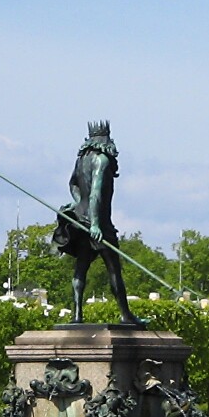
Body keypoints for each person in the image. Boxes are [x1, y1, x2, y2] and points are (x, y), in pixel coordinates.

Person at [52, 120, 142, 325]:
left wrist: (77, 204)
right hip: (98, 224)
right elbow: (95, 194)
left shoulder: (81, 160)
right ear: (106, 139)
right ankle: (125, 314)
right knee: (113, 268)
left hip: (79, 221)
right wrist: (95, 224)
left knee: (81, 267)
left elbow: (73, 184)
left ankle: (77, 315)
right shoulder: (102, 161)